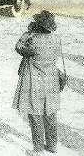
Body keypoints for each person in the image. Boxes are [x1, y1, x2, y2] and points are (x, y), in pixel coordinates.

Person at [12, 10, 62, 155]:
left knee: (35, 114)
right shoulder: (56, 39)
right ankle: (52, 145)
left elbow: (19, 47)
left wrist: (28, 33)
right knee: (50, 113)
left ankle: (38, 149)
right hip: (51, 81)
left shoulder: (32, 40)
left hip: (35, 81)